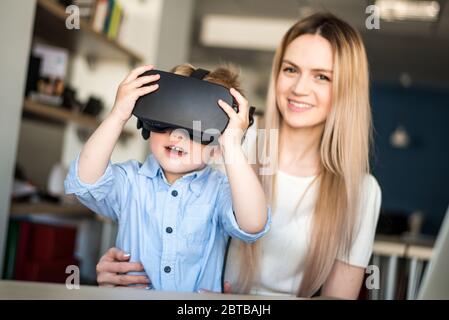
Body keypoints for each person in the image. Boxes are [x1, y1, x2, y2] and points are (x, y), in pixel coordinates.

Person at [95, 12, 382, 299]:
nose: (299, 88)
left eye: (322, 76)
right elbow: (156, 216)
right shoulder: (223, 142)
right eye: (290, 70)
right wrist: (123, 268)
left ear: (346, 90)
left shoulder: (360, 191)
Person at [64, 63, 271, 292]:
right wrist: (118, 115)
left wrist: (232, 144)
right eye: (165, 121)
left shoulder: (219, 191)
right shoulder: (131, 181)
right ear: (146, 124)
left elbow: (253, 223)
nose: (176, 135)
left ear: (217, 146)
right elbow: (85, 181)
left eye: (196, 128)